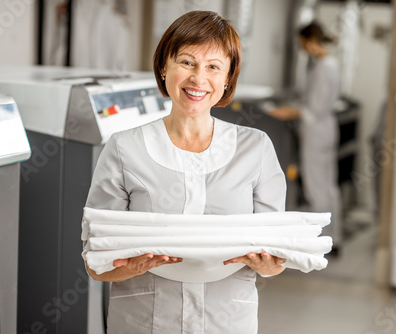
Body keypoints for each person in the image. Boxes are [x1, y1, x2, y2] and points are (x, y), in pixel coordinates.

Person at [83, 11, 287, 334]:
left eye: (213, 67)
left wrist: (270, 264)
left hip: (226, 322)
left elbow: (275, 253)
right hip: (144, 322)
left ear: (227, 80)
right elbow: (95, 262)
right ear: (165, 66)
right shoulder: (124, 149)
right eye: (187, 62)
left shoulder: (256, 150)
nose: (198, 78)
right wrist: (129, 267)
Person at [268, 21, 343, 251]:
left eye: (302, 44)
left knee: (316, 186)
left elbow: (315, 108)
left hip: (317, 131)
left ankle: (324, 240)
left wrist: (288, 111)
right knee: (327, 184)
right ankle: (333, 237)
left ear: (310, 42)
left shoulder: (324, 68)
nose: (302, 49)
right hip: (325, 129)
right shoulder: (329, 64)